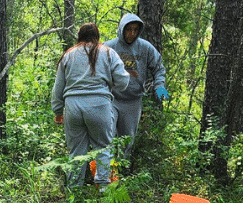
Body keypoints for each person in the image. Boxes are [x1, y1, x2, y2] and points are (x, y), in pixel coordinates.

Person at [51, 22, 132, 189]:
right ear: (97, 37)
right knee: (103, 147)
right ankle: (102, 189)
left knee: (76, 152)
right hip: (99, 105)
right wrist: (112, 87)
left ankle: (74, 190)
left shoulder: (68, 55)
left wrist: (58, 111)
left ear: (79, 36)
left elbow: (58, 87)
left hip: (73, 106)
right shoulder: (108, 52)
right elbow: (123, 80)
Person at [103, 13, 168, 165]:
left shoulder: (145, 48)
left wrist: (159, 87)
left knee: (127, 140)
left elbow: (158, 68)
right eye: (128, 29)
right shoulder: (109, 47)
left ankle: (123, 173)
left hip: (133, 101)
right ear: (121, 29)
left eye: (135, 30)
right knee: (108, 136)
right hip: (112, 99)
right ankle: (106, 174)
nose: (131, 34)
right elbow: (97, 69)